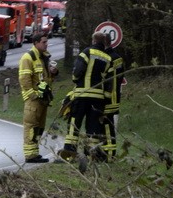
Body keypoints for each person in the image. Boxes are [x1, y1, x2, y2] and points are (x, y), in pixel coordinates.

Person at [61, 32, 113, 161]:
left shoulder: (87, 52)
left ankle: (69, 155)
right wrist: (105, 98)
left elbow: (77, 71)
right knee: (93, 127)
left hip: (82, 95)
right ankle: (91, 156)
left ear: (93, 40)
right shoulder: (108, 58)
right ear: (104, 42)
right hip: (98, 99)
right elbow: (109, 81)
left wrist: (75, 79)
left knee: (75, 123)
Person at [18, 32, 58, 164]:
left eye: (47, 42)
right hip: (34, 100)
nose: (47, 44)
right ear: (35, 43)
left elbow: (46, 79)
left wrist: (53, 73)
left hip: (43, 99)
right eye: (44, 42)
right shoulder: (28, 57)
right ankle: (30, 155)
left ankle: (34, 152)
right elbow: (24, 79)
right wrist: (33, 95)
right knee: (31, 126)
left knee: (39, 127)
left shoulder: (44, 58)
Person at [101, 42, 125, 160]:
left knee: (105, 126)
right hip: (115, 97)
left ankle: (108, 153)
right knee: (110, 125)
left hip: (106, 98)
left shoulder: (105, 58)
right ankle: (111, 152)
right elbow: (121, 77)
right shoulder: (118, 58)